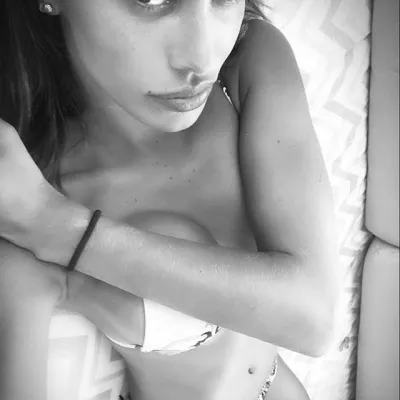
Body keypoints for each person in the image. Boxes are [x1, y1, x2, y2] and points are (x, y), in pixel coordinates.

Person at [0, 0, 339, 399]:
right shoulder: (22, 194)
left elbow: (314, 318)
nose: (203, 59)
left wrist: (57, 226)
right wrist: (40, 219)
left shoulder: (249, 57)